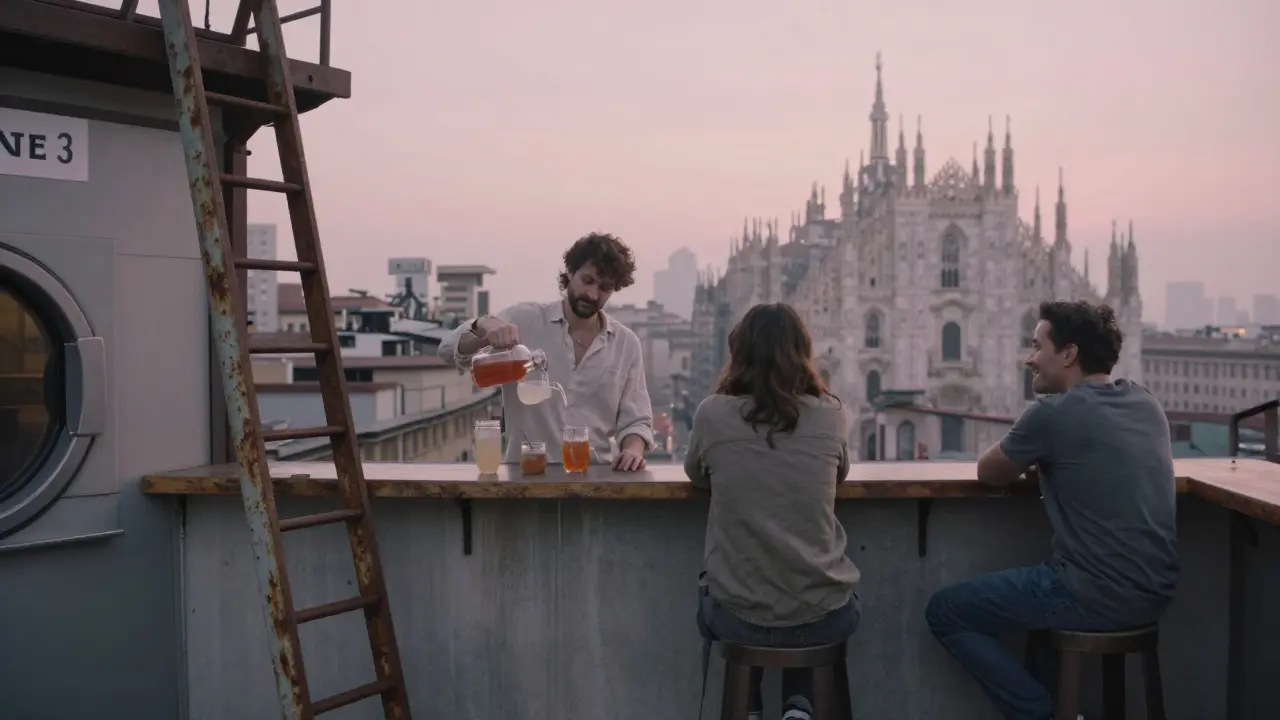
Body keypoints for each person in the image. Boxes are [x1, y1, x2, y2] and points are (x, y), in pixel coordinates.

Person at [925, 300, 1178, 720]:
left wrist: (1039, 454)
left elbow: (990, 472)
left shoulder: (1053, 413)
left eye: (1037, 346)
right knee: (1042, 625)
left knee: (945, 611)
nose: (1030, 358)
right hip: (1154, 592)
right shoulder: (1145, 402)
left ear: (1069, 354)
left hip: (1093, 593)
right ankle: (1059, 709)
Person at [683, 303, 860, 720]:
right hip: (825, 616)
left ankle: (749, 707)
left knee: (746, 602)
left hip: (735, 617)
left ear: (738, 353)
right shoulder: (832, 414)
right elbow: (840, 473)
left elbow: (696, 475)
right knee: (807, 608)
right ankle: (800, 705)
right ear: (802, 353)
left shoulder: (712, 413)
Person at [438, 232, 653, 471]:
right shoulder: (525, 320)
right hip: (526, 478)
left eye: (605, 287)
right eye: (587, 280)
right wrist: (483, 326)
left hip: (594, 480)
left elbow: (636, 420)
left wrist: (633, 451)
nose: (593, 294)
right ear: (570, 272)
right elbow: (447, 350)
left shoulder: (626, 344)